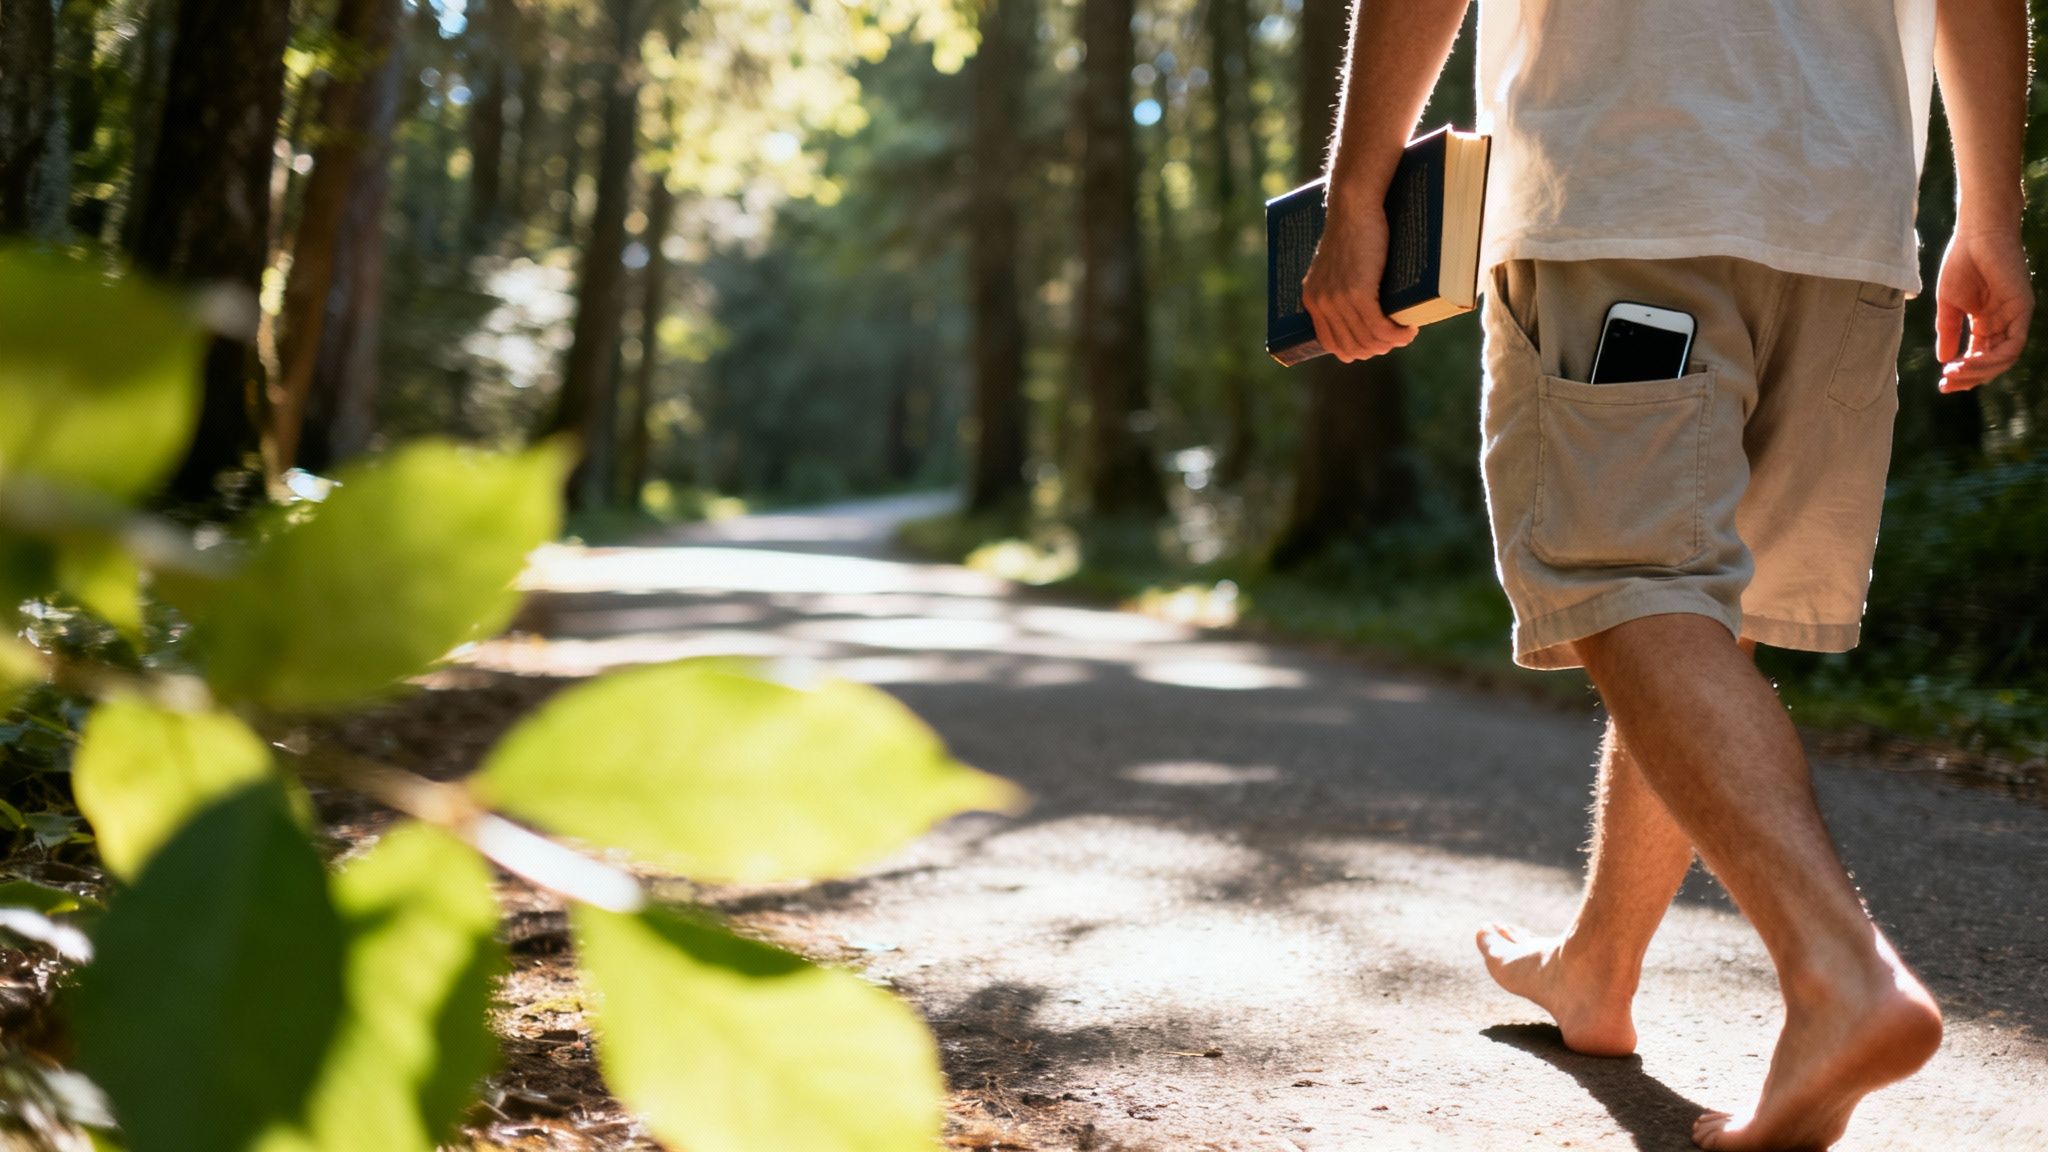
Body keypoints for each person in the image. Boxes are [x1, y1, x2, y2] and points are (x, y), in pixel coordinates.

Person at [1300, 1, 2034, 1149]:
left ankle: (1839, 975)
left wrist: (1353, 195)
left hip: (1625, 178)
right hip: (1841, 212)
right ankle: (1597, 968)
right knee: (1697, 608)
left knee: (1629, 580)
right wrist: (1988, 211)